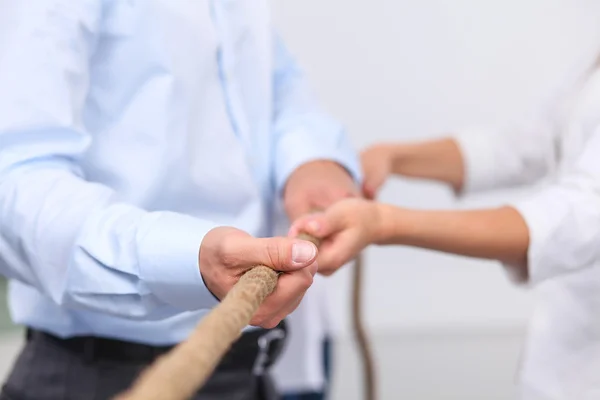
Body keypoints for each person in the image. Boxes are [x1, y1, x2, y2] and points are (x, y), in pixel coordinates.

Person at [0, 2, 361, 399]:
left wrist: (311, 160)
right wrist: (188, 258)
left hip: (247, 361)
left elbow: (277, 84)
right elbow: (14, 178)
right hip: (105, 373)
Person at [290, 52, 600, 399]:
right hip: (558, 362)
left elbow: (583, 215)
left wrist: (384, 223)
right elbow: (526, 145)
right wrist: (391, 156)